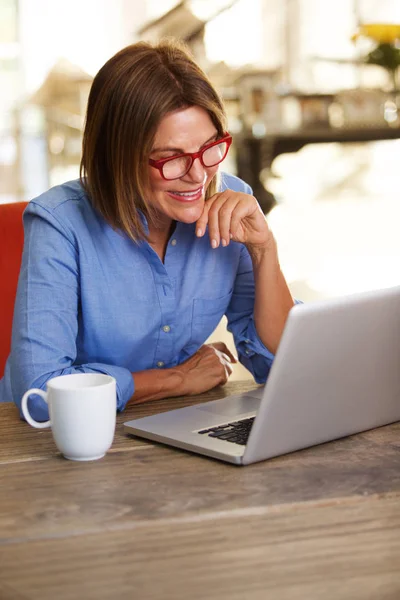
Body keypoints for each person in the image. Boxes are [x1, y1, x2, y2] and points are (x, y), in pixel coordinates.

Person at [0, 39, 295, 421]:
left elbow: (282, 365)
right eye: (171, 158)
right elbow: (39, 392)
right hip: (44, 445)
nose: (198, 175)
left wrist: (264, 250)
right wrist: (174, 380)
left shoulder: (231, 202)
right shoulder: (59, 224)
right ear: (117, 159)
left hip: (173, 430)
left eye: (210, 148)